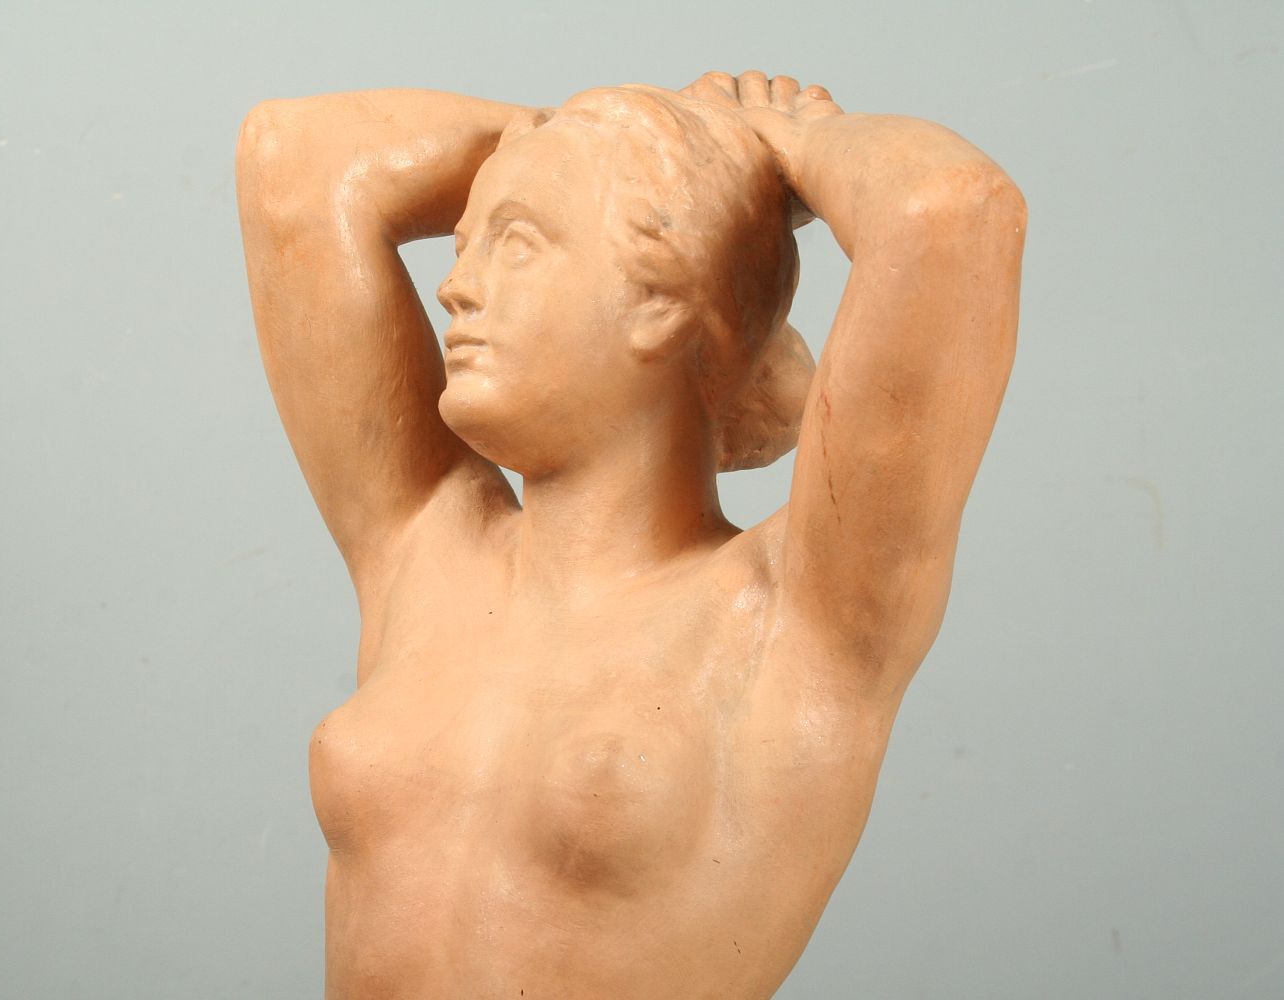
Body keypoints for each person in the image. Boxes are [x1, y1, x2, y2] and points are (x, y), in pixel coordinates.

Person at [234, 70, 1025, 999]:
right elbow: (293, 160)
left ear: (663, 299)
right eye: (465, 245)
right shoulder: (429, 550)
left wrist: (764, 146)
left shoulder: (792, 618)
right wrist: (593, 138)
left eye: (515, 243)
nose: (455, 286)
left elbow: (950, 211)